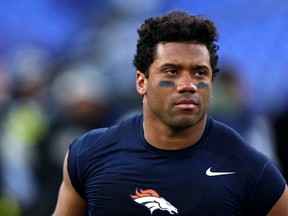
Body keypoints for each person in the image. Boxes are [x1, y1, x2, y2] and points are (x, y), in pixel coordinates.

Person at [53, 10, 288, 216]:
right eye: (171, 71)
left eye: (199, 73)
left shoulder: (251, 169)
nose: (188, 85)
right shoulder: (88, 154)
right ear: (141, 82)